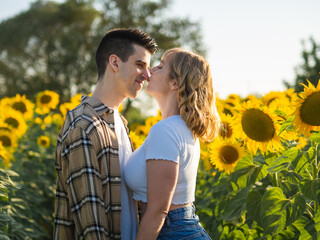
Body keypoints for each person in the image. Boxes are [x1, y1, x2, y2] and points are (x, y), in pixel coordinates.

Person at [53, 28, 158, 240]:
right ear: (115, 63)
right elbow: (92, 227)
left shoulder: (119, 122)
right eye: (140, 65)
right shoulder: (83, 125)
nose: (148, 75)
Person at [124, 48, 220, 239]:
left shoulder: (166, 130)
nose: (151, 70)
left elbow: (158, 210)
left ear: (175, 82)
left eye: (160, 66)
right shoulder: (181, 128)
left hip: (171, 232)